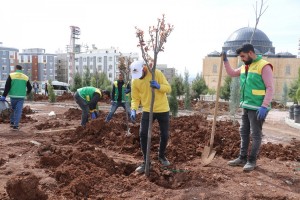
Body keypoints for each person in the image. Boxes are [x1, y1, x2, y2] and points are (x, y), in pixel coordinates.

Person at [223, 43, 274, 171]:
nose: (242, 59)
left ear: (250, 53)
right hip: (246, 105)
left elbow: (270, 88)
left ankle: (252, 161)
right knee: (244, 132)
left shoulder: (264, 66)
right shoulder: (245, 66)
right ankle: (242, 158)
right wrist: (225, 61)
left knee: (255, 134)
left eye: (243, 56)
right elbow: (232, 73)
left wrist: (264, 106)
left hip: (258, 107)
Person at [130, 60, 172, 174]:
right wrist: (133, 109)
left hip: (162, 109)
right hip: (148, 110)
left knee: (164, 134)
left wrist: (159, 86)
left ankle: (161, 156)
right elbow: (135, 98)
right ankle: (146, 162)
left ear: (144, 69)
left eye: (140, 74)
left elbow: (168, 88)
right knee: (143, 134)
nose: (138, 77)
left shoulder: (156, 73)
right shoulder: (135, 81)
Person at [0, 65, 32, 130]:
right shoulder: (25, 77)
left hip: (13, 96)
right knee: (18, 111)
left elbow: (7, 86)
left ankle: (12, 122)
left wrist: (4, 96)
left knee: (12, 109)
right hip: (21, 97)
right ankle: (16, 125)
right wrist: (27, 93)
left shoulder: (11, 75)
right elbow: (30, 87)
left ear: (16, 69)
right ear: (21, 69)